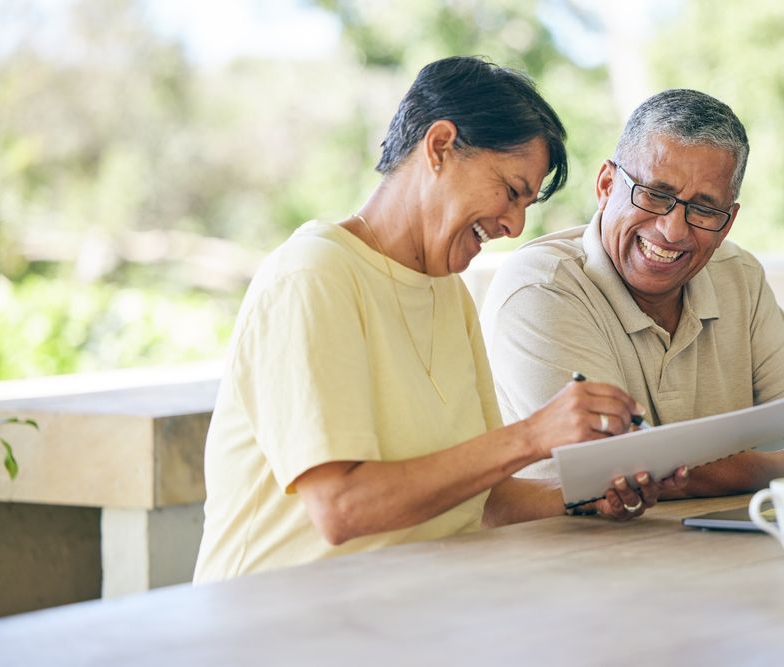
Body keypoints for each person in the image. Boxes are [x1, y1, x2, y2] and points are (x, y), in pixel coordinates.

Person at [194, 57, 684, 584]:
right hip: (272, 630)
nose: (515, 225)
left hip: (403, 617)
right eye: (512, 191)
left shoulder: (449, 293)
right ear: (440, 146)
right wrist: (533, 436)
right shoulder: (314, 276)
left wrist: (589, 498)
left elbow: (483, 502)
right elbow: (341, 509)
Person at [480, 88, 784, 495]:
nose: (672, 230)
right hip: (566, 555)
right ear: (607, 185)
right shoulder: (541, 287)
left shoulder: (738, 276)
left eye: (703, 208)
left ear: (728, 221)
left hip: (705, 551)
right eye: (655, 194)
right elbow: (615, 467)